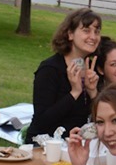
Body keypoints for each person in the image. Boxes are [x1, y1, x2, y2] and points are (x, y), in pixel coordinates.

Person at [25, 8, 102, 143]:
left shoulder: (92, 69)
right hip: (46, 144)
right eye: (86, 30)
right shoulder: (50, 69)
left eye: (96, 31)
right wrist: (75, 92)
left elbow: (103, 117)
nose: (93, 37)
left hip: (79, 144)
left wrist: (93, 92)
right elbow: (42, 121)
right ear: (70, 34)